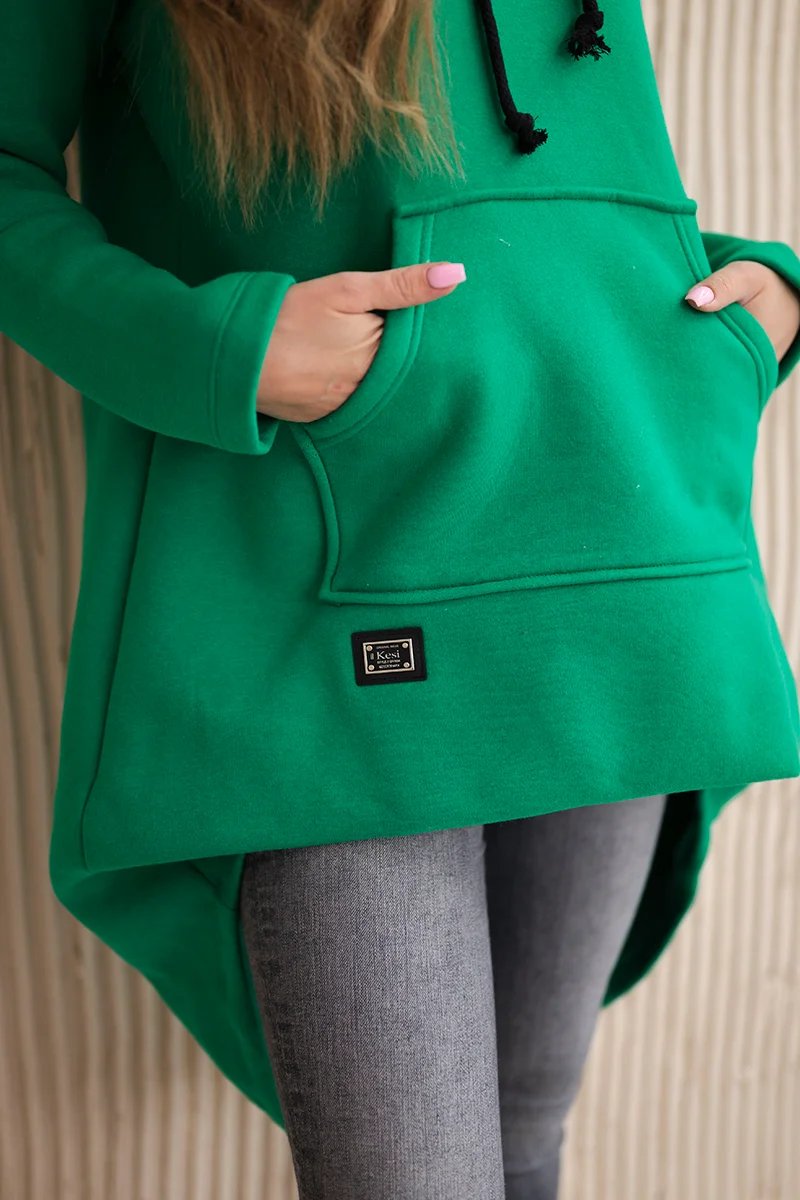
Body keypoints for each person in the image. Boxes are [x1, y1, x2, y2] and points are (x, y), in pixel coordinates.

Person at [2, 0, 799, 1196]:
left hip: (616, 554)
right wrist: (217, 345)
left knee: (523, 1128)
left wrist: (763, 303)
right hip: (331, 589)